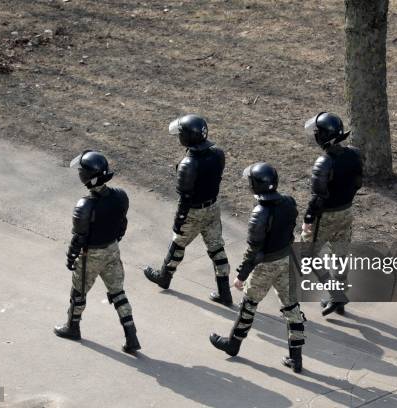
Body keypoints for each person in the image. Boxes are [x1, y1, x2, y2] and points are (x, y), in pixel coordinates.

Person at [209, 163, 306, 373]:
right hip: (287, 259)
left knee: (249, 305)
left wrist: (241, 276)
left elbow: (254, 251)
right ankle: (296, 358)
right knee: (292, 308)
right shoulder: (288, 202)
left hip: (266, 266)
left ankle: (233, 344)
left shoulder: (259, 213)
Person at [54, 150, 141, 354]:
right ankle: (131, 336)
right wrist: (114, 240)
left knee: (78, 292)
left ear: (87, 177)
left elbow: (79, 238)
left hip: (90, 255)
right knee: (118, 293)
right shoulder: (120, 196)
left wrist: (71, 256)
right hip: (112, 250)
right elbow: (122, 224)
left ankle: (72, 327)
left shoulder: (85, 205)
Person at [143, 114, 232, 306]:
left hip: (194, 212)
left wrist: (179, 220)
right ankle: (225, 292)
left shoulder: (188, 164)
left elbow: (185, 198)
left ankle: (164, 277)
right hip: (213, 207)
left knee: (178, 244)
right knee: (217, 247)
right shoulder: (218, 153)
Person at [301, 112, 363, 316]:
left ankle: (336, 295)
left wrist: (308, 219)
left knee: (307, 256)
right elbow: (358, 183)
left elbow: (318, 197)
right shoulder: (354, 154)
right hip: (346, 212)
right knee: (341, 257)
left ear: (322, 136)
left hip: (325, 217)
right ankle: (339, 300)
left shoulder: (324, 163)